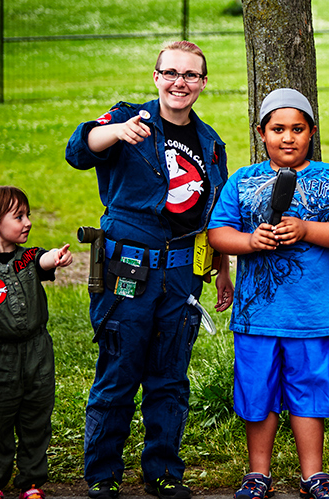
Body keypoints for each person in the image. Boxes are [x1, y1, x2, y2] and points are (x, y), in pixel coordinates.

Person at [66, 41, 231, 499]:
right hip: (128, 270)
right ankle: (103, 474)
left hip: (181, 276)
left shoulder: (211, 143)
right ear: (156, 77)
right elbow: (79, 150)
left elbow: (214, 216)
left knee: (169, 377)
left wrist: (222, 269)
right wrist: (116, 132)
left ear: (203, 83)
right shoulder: (128, 119)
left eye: (191, 75)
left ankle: (163, 471)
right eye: (171, 73)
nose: (180, 82)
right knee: (119, 371)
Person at [207, 89, 329, 499]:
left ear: (312, 132)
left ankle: (314, 475)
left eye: (297, 129)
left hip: (311, 315)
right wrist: (250, 241)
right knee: (257, 393)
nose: (288, 137)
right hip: (257, 316)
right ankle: (258, 474)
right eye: (278, 129)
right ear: (261, 133)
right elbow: (218, 233)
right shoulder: (242, 180)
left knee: (310, 392)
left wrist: (307, 229)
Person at [0, 186, 73, 499]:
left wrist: (56, 257)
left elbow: (43, 259)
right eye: (18, 217)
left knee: (36, 418)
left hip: (37, 350)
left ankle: (31, 481)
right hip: (0, 354)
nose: (28, 222)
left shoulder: (25, 257)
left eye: (27, 215)